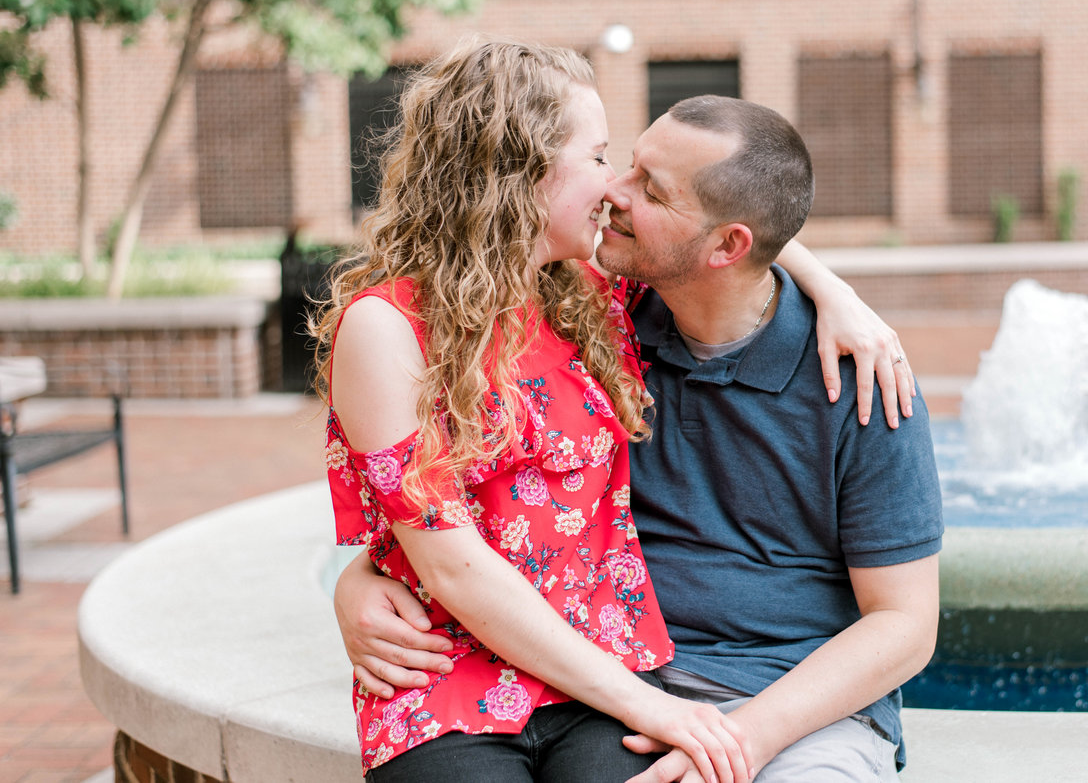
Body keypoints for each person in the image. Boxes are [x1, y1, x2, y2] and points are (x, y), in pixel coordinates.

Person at [335, 94, 943, 782]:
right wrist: (365, 577)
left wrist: (743, 736)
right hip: (622, 684)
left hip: (797, 709)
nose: (611, 191)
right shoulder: (602, 320)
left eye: (648, 188)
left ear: (727, 247)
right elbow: (473, 511)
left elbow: (906, 626)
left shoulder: (861, 376)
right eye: (620, 163)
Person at [313, 38, 756, 783]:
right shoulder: (385, 328)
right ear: (517, 172)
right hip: (444, 678)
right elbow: (451, 566)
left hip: (599, 670)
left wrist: (838, 298)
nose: (615, 185)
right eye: (597, 157)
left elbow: (730, 242)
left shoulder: (590, 292)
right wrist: (656, 710)